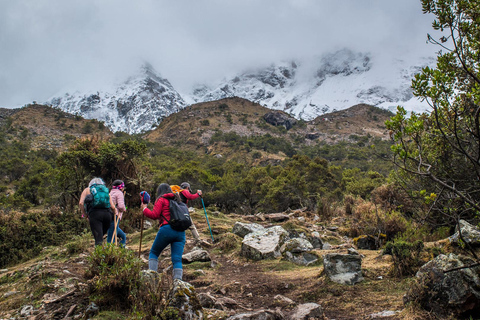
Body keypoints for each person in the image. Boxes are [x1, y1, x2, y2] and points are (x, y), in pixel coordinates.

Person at [141, 183, 185, 280]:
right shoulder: (177, 199)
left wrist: (144, 209)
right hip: (181, 232)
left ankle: (152, 279)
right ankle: (178, 285)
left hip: (167, 229)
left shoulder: (161, 199)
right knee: (177, 259)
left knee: (154, 253)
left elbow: (154, 215)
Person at [79, 177, 117, 246]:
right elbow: (113, 207)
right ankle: (106, 252)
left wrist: (85, 214)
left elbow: (81, 203)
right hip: (107, 215)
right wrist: (115, 212)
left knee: (98, 239)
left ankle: (100, 255)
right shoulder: (105, 190)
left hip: (95, 215)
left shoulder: (87, 190)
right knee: (101, 235)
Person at [107, 179, 127, 247]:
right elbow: (121, 206)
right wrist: (124, 209)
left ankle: (121, 252)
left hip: (108, 215)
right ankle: (108, 254)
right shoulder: (119, 193)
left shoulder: (110, 192)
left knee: (122, 236)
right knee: (111, 237)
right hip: (115, 216)